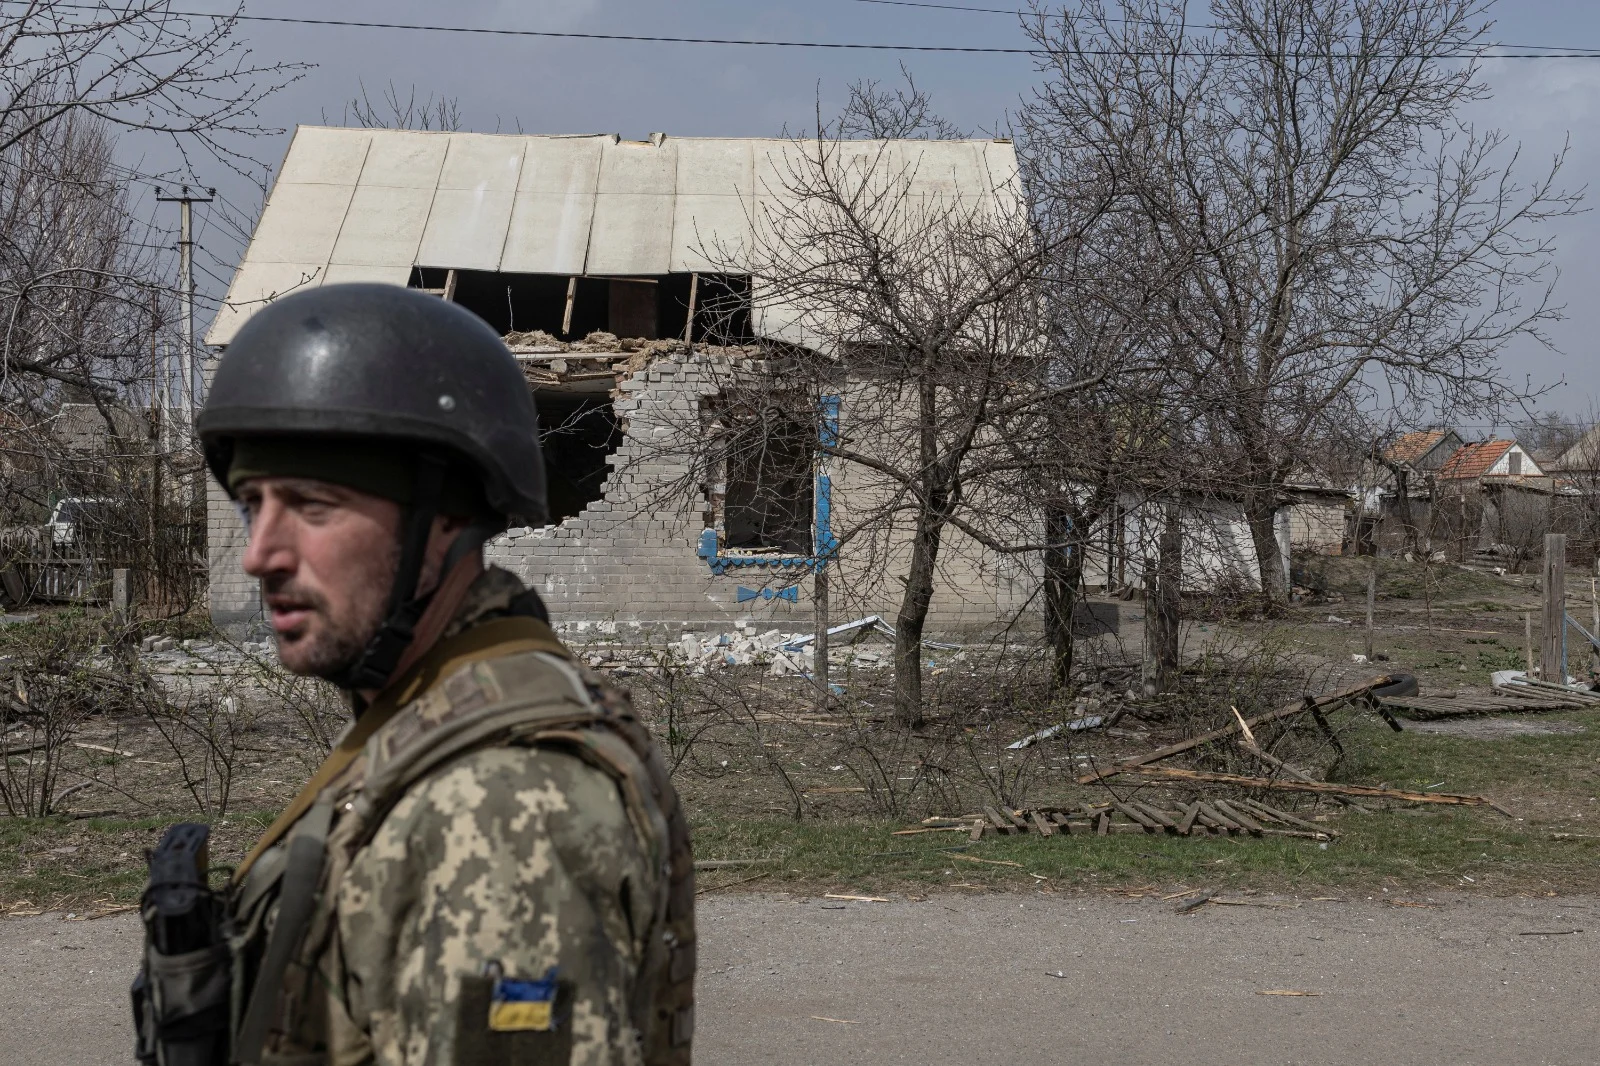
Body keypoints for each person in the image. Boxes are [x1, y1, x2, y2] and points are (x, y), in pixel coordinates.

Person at [166, 283, 694, 1065]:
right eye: (253, 505)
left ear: (444, 516)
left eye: (312, 506)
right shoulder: (433, 718)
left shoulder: (505, 806)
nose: (259, 554)